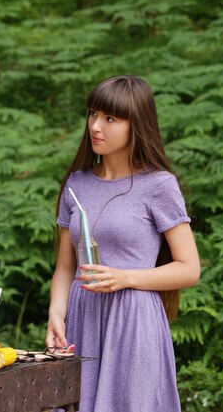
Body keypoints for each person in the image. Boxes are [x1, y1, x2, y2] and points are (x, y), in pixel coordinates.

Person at [45, 75, 200, 412]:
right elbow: (65, 267)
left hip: (134, 321)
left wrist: (126, 278)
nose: (95, 126)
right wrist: (56, 314)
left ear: (137, 125)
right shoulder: (77, 182)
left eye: (110, 118)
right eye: (93, 114)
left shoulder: (159, 185)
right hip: (82, 321)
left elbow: (189, 269)